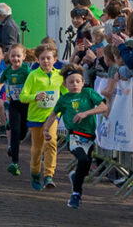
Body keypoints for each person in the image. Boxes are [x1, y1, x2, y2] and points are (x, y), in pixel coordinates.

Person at [44, 64, 107, 209]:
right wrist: (46, 130)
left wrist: (86, 113)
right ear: (65, 84)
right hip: (74, 137)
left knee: (84, 167)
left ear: (83, 82)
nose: (75, 85)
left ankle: (75, 177)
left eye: (78, 81)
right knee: (83, 159)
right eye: (71, 82)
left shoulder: (88, 93)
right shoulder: (64, 99)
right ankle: (76, 195)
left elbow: (104, 107)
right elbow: (53, 114)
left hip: (89, 137)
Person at [19, 45, 63, 190]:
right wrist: (35, 97)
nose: (46, 61)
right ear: (38, 60)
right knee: (37, 148)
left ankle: (49, 175)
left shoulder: (59, 76)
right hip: (35, 116)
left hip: (51, 116)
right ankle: (35, 172)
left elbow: (66, 93)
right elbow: (23, 96)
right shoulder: (33, 75)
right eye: (42, 58)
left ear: (55, 59)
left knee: (51, 143)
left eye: (49, 58)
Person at [0, 44, 31, 175]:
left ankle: (12, 127)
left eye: (18, 56)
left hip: (26, 104)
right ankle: (15, 163)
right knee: (15, 132)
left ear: (24, 57)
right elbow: (0, 82)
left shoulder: (27, 70)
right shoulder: (7, 70)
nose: (15, 58)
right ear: (9, 57)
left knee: (22, 133)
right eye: (13, 56)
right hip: (13, 104)